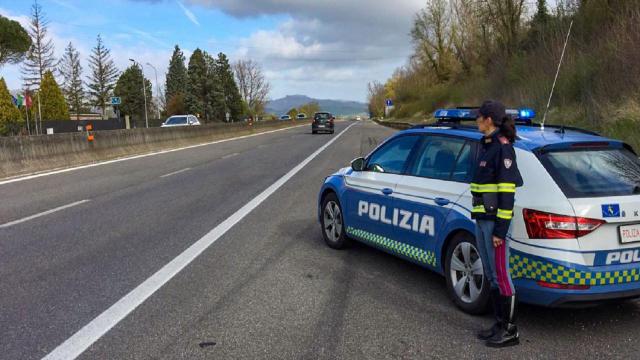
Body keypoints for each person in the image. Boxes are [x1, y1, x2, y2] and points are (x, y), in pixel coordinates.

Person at [471, 100, 523, 348]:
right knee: (492, 275)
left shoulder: (503, 149)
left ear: (488, 119)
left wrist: (500, 231)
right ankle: (498, 324)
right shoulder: (487, 145)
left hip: (495, 224)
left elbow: (507, 193)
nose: (476, 120)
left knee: (502, 275)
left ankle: (510, 330)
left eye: (479, 116)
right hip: (482, 219)